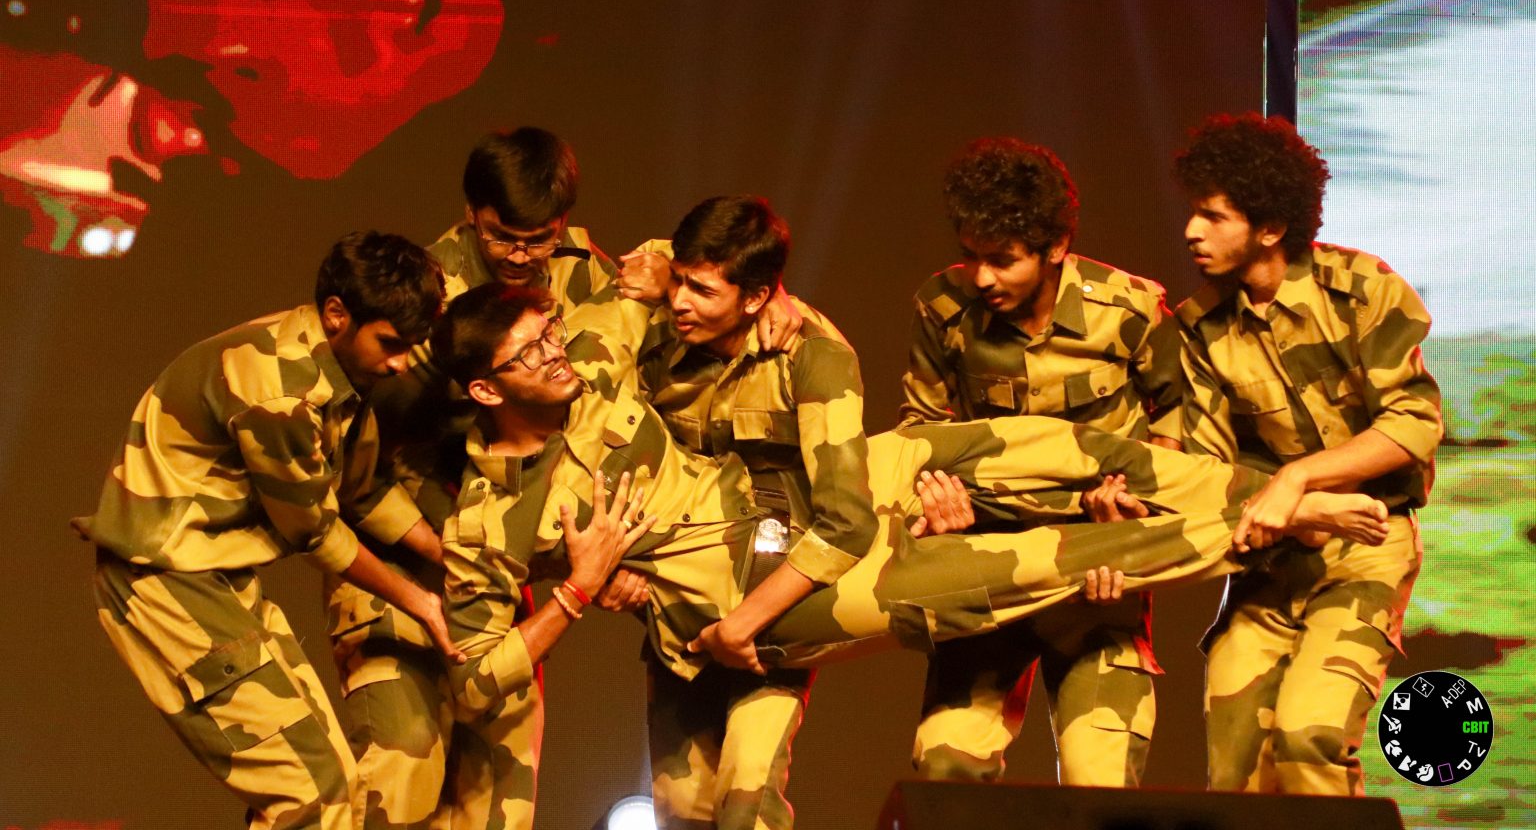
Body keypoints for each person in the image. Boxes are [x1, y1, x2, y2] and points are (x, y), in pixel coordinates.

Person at [429, 280, 1396, 818]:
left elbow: (664, 269)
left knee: (1051, 447)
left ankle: (1280, 489)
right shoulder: (487, 521)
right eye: (531, 355)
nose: (557, 354)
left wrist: (774, 304)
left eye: (552, 335)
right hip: (776, 595)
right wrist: (578, 590)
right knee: (1032, 566)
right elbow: (475, 682)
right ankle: (1271, 525)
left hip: (814, 493)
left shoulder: (593, 358)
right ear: (483, 391)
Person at [73, 231, 463, 830]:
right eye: (390, 344)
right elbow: (317, 533)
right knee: (312, 791)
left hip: (219, 582)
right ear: (337, 314)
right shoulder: (280, 390)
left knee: (332, 782)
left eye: (412, 347)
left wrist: (446, 555)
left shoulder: (342, 373)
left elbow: (361, 491)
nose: (401, 363)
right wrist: (419, 601)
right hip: (165, 582)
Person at [327, 127, 618, 830]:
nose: (519, 256)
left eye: (537, 239)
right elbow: (361, 464)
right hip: (406, 561)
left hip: (494, 570)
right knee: (400, 772)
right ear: (470, 214)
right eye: (500, 237)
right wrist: (445, 551)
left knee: (499, 799)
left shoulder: (584, 274)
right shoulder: (422, 298)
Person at [1171, 113, 1442, 795]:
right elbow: (1206, 472)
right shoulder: (1200, 327)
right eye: (1194, 213)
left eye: (1213, 216)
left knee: (1309, 740)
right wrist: (1299, 507)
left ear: (1268, 228)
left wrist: (1297, 477)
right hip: (1267, 564)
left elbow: (1413, 423)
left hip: (1367, 545)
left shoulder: (1361, 289)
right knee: (1235, 765)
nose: (1192, 231)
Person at [899, 138, 1182, 786]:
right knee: (946, 769)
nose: (982, 278)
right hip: (988, 574)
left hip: (1099, 576)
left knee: (1099, 784)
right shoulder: (944, 308)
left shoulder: (1130, 309)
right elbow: (921, 429)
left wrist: (1138, 521)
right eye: (971, 256)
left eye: (1002, 260)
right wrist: (936, 499)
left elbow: (1182, 425)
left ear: (1056, 247)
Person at [636, 196, 874, 829]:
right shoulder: (653, 341)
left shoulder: (812, 357)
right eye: (678, 281)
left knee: (747, 800)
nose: (680, 301)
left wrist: (743, 624)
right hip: (679, 615)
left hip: (771, 613)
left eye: (702, 291)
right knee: (680, 811)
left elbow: (847, 522)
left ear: (756, 297)